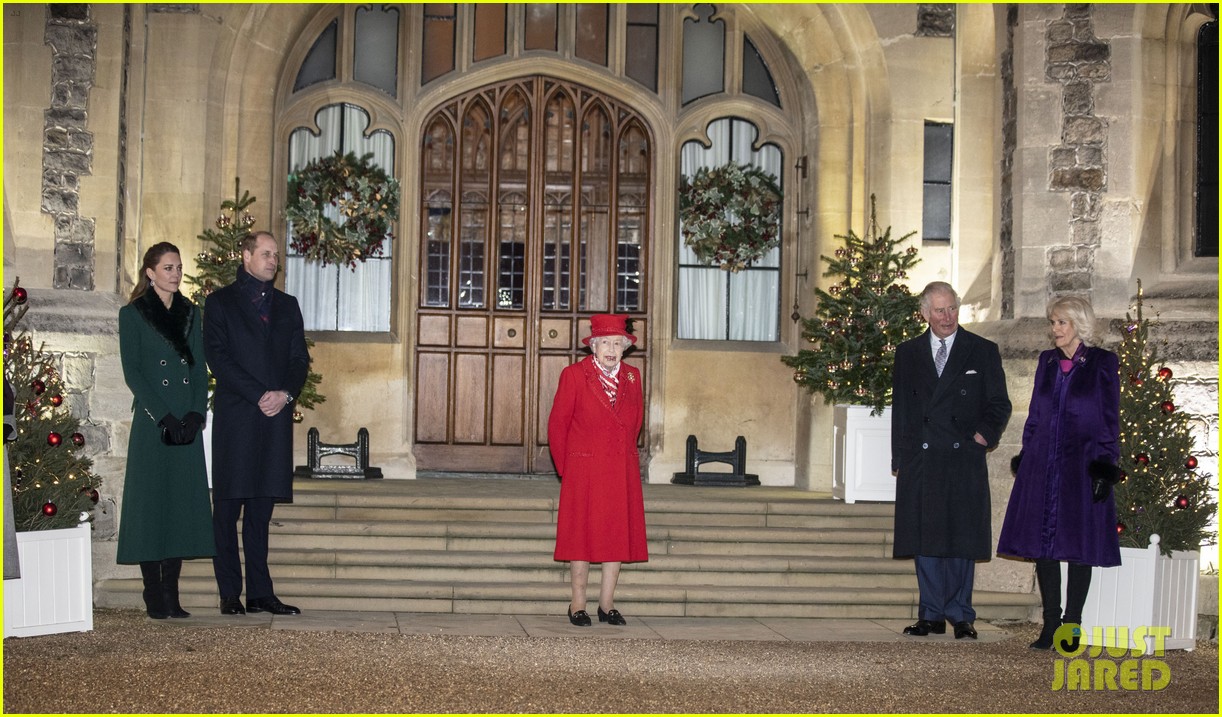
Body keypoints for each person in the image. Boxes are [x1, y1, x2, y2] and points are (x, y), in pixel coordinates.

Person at [997, 296, 1121, 650]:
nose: (1054, 330)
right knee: (1043, 545)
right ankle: (1050, 623)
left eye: (1060, 323)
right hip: (1043, 463)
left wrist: (1104, 466)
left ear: (1078, 324)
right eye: (1052, 322)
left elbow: (1109, 420)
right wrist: (1026, 455)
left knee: (1079, 546)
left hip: (1082, 464)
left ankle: (1072, 626)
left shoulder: (1102, 363)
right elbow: (1035, 414)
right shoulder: (1046, 362)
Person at [891, 281, 1012, 640]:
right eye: (940, 311)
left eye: (953, 309)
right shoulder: (908, 353)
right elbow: (902, 410)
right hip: (922, 460)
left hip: (963, 458)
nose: (948, 317)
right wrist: (900, 456)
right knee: (925, 540)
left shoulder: (982, 350)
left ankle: (961, 615)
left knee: (961, 537)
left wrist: (982, 436)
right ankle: (930, 614)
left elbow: (999, 404)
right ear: (925, 313)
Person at [204, 231, 310, 616]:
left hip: (275, 419)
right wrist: (259, 395)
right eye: (265, 254)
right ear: (246, 256)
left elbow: (300, 359)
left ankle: (261, 593)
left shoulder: (287, 305)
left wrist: (284, 394)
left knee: (261, 511)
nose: (273, 260)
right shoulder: (220, 303)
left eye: (276, 255)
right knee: (228, 509)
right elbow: (218, 358)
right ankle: (230, 592)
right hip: (238, 417)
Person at [116, 242, 216, 618]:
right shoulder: (133, 314)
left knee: (179, 506)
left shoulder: (191, 313)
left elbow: (198, 366)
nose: (175, 273)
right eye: (168, 267)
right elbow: (133, 373)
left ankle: (173, 593)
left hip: (185, 425)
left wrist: (195, 413)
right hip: (153, 423)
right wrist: (163, 416)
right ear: (150, 272)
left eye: (178, 267)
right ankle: (152, 592)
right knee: (150, 505)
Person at [548, 314, 648, 626]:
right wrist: (567, 468)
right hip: (584, 469)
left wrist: (625, 456)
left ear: (625, 348)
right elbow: (557, 425)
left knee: (615, 536)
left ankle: (607, 605)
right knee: (581, 537)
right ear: (593, 346)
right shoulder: (574, 375)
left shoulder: (632, 377)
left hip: (619, 469)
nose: (611, 349)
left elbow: (636, 422)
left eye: (617, 343)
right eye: (604, 342)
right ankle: (578, 604)